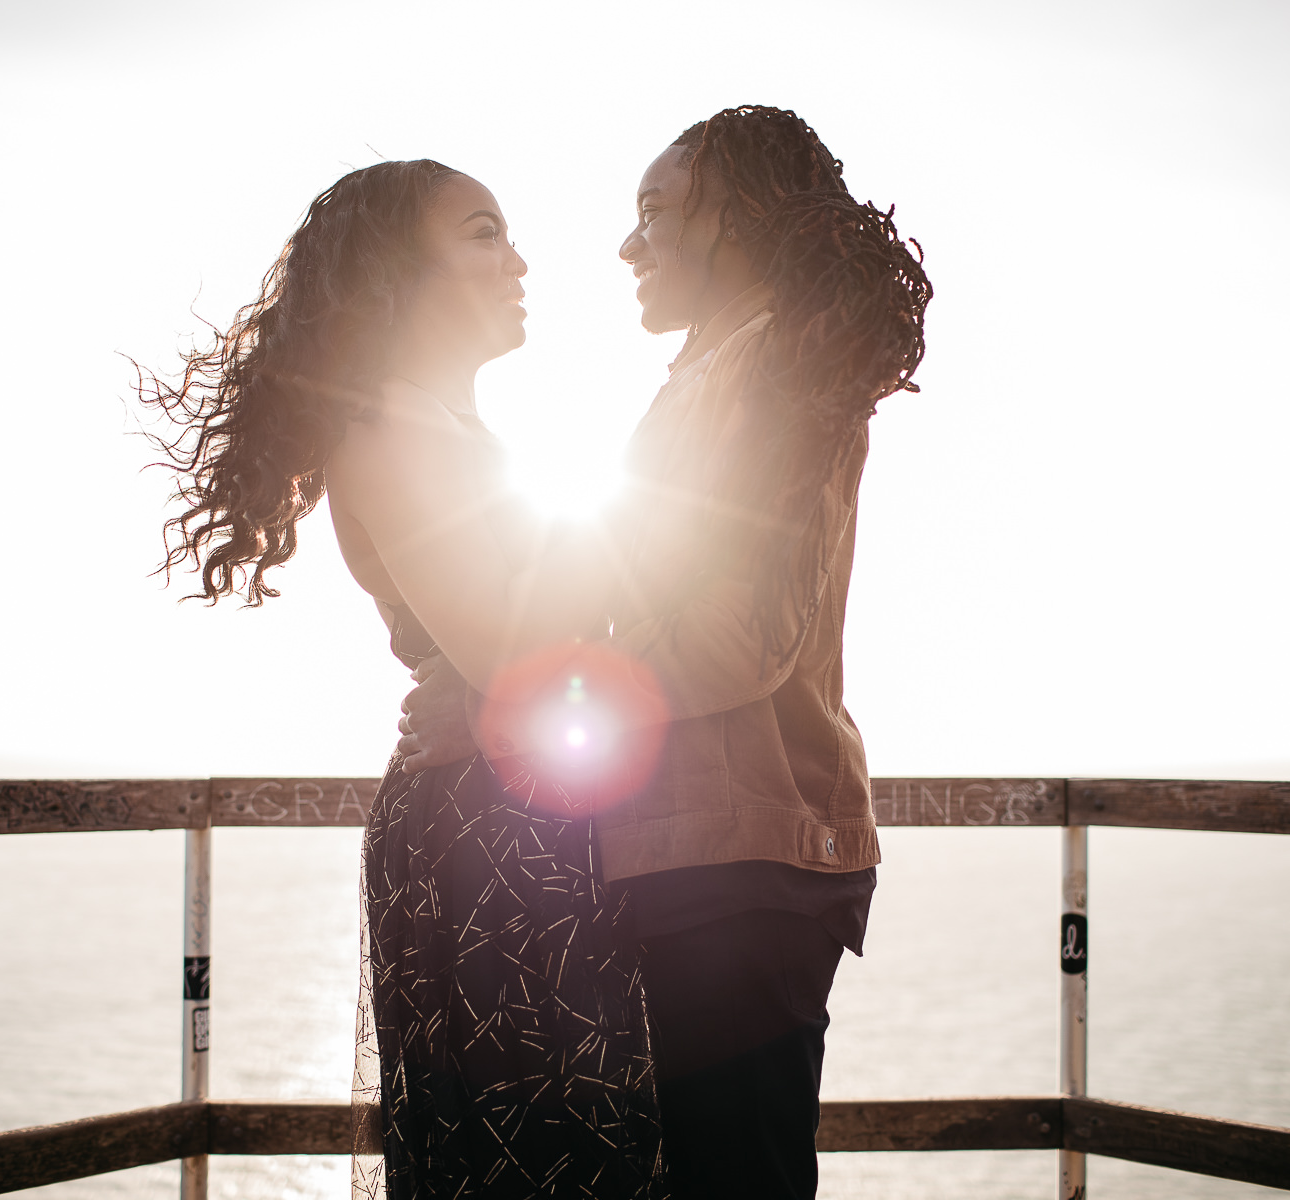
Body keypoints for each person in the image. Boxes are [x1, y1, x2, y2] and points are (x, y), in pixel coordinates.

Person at [395, 105, 932, 1200]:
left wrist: (529, 713)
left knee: (736, 1180)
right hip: (699, 850)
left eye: (656, 213)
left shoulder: (772, 366)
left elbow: (743, 636)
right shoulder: (716, 372)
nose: (628, 245)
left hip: (742, 858)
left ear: (736, 221)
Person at [135, 160, 666, 1199]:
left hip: (530, 817)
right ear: (397, 273)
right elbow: (525, 657)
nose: (519, 260)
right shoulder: (384, 425)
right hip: (483, 842)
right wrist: (630, 510)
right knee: (529, 1158)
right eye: (481, 233)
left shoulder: (458, 431)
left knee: (594, 1142)